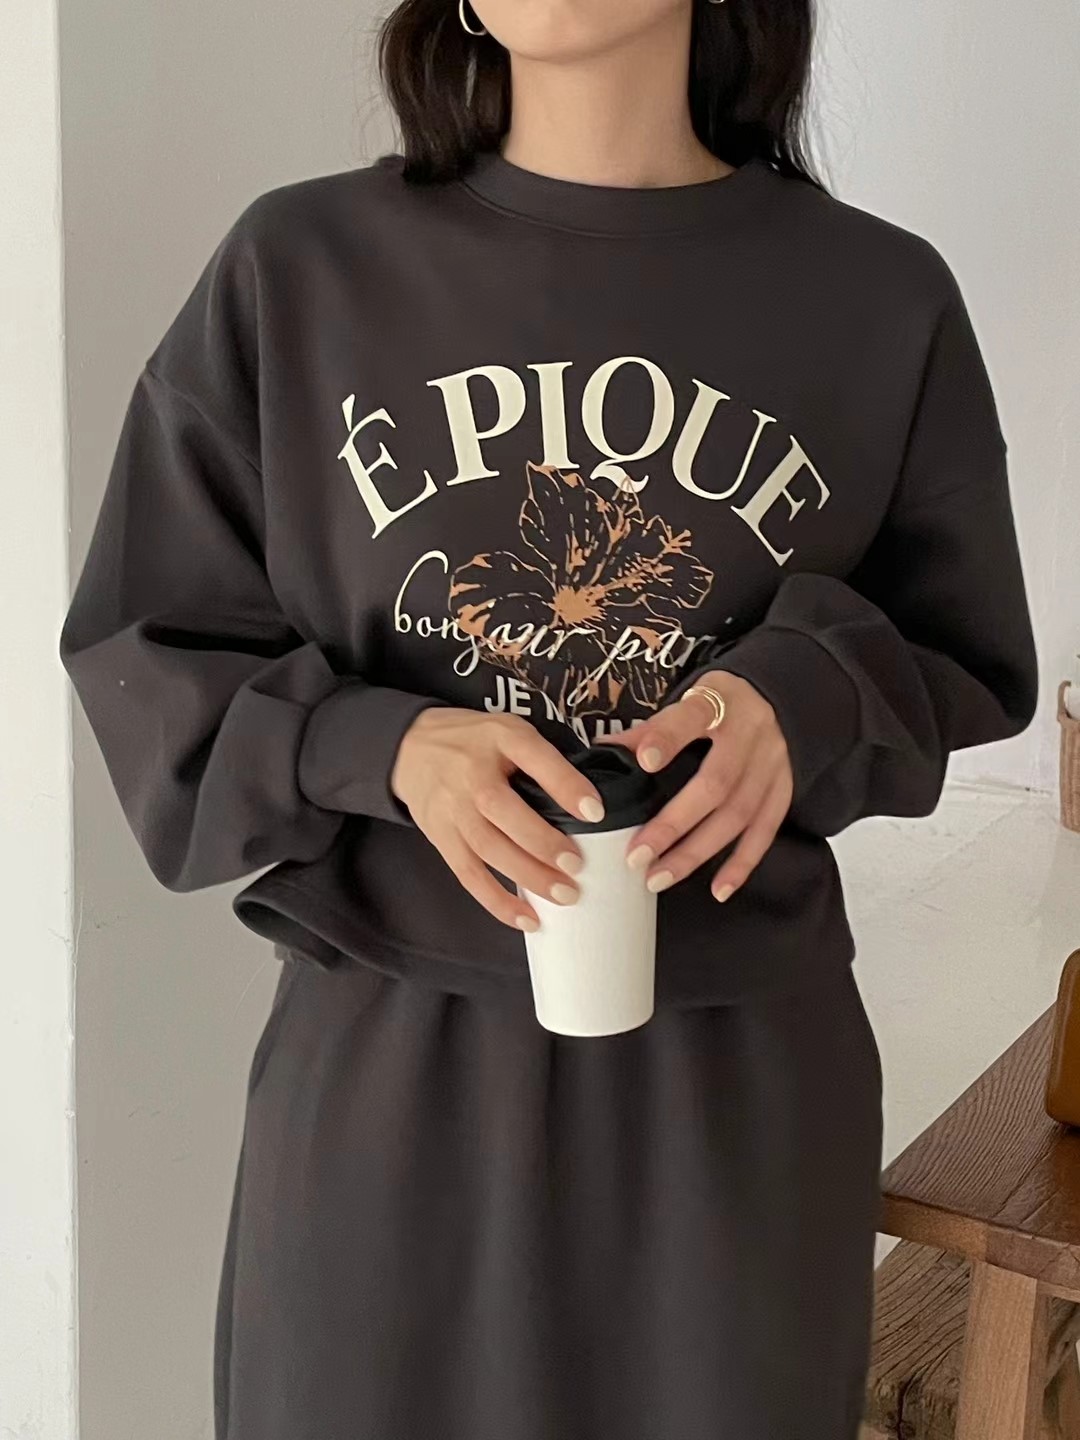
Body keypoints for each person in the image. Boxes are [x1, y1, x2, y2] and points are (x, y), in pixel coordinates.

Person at [59, 0, 1039, 1435]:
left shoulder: (878, 297)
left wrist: (805, 692)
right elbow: (146, 641)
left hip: (729, 1083)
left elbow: (968, 648)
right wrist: (383, 744)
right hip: (390, 1075)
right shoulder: (302, 267)